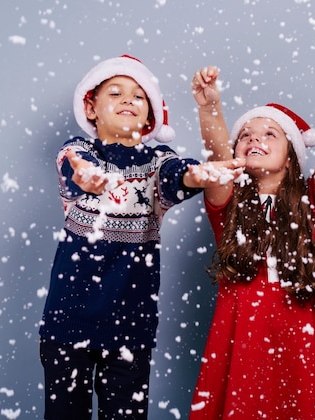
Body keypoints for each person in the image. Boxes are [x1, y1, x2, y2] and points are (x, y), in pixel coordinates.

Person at [39, 55, 244, 420]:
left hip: (130, 326)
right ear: (92, 108)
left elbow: (178, 174)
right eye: (115, 93)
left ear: (150, 117)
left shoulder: (157, 161)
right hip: (69, 322)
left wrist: (200, 174)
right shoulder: (79, 151)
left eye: (138, 96)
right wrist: (85, 175)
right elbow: (75, 163)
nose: (127, 100)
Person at [189, 60, 315, 418]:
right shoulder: (226, 204)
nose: (254, 139)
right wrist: (210, 107)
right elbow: (217, 155)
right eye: (245, 135)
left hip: (300, 338)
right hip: (241, 339)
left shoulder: (309, 205)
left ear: (291, 158)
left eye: (269, 134)